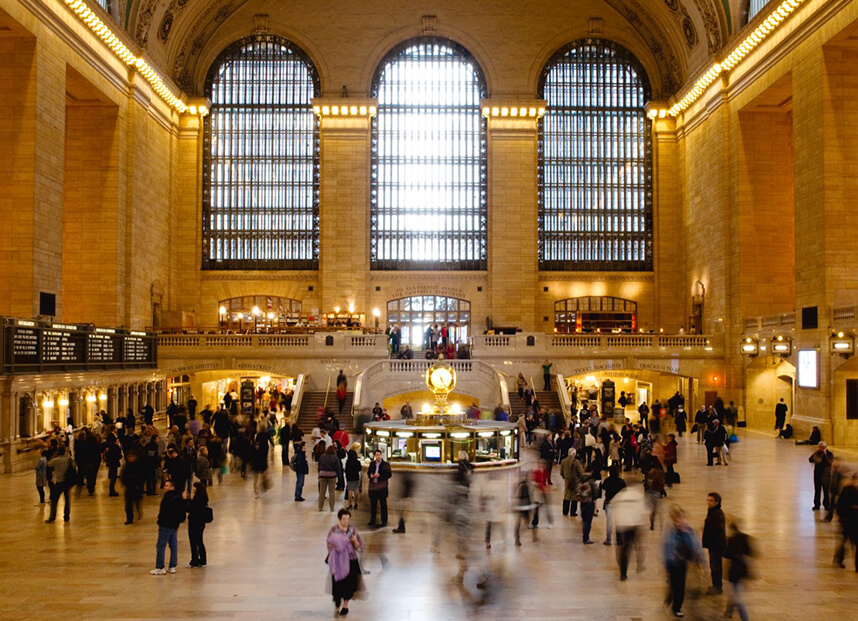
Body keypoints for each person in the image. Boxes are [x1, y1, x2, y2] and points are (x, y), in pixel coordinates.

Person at [663, 506, 705, 617]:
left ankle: (676, 608)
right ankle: (670, 596)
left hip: (683, 563)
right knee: (674, 585)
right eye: (678, 520)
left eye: (683, 519)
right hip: (673, 563)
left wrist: (703, 563)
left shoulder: (690, 532)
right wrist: (666, 567)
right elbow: (666, 550)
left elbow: (697, 548)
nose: (681, 522)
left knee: (680, 587)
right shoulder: (671, 533)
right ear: (675, 521)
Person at [326, 508, 363, 616]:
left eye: (348, 519)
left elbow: (359, 547)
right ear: (339, 519)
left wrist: (354, 541)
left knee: (349, 585)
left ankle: (345, 605)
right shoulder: (334, 530)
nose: (346, 521)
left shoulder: (353, 530)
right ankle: (337, 602)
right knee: (338, 585)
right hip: (338, 562)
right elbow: (329, 544)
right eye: (344, 519)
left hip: (351, 560)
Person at [151, 479, 186, 575]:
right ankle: (172, 566)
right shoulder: (178, 497)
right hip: (174, 525)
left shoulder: (168, 498)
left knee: (161, 546)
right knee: (173, 546)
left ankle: (160, 567)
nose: (164, 487)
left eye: (167, 485)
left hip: (165, 525)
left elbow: (164, 512)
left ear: (172, 487)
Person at [703, 492, 727, 595]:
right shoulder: (712, 511)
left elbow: (718, 531)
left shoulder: (718, 514)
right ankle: (716, 584)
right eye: (707, 500)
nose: (708, 502)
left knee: (716, 565)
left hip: (716, 545)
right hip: (712, 544)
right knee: (714, 565)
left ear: (717, 502)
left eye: (711, 500)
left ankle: (717, 586)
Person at [834, 472, 858, 571]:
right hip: (847, 521)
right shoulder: (847, 490)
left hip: (856, 521)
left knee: (856, 544)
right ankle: (839, 559)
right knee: (844, 541)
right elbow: (840, 505)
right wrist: (842, 516)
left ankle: (857, 566)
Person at [45, 446, 75, 523]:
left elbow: (48, 464)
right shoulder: (69, 460)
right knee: (67, 500)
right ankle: (66, 516)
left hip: (59, 482)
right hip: (67, 482)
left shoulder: (56, 460)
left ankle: (52, 516)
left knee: (54, 500)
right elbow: (74, 467)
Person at [601, 465, 627, 545]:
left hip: (609, 502)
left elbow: (603, 488)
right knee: (618, 522)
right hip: (619, 503)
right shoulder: (621, 482)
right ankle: (619, 539)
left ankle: (608, 539)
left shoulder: (607, 480)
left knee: (609, 523)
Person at [186, 481, 209, 568]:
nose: (193, 489)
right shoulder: (204, 498)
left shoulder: (197, 499)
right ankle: (203, 559)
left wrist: (186, 499)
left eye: (194, 487)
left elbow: (189, 509)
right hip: (201, 523)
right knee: (199, 541)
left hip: (194, 522)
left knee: (193, 541)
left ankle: (194, 560)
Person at [367, 449, 391, 527]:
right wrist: (370, 475)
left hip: (382, 488)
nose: (378, 456)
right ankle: (372, 520)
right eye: (376, 455)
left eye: (379, 455)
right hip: (373, 487)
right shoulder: (372, 464)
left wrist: (380, 476)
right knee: (373, 505)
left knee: (383, 504)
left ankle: (384, 520)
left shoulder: (386, 464)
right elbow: (368, 472)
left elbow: (389, 475)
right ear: (374, 456)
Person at [121, 449, 145, 524]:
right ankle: (129, 518)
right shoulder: (126, 466)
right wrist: (123, 484)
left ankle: (138, 512)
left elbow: (142, 476)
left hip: (136, 487)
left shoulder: (138, 466)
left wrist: (140, 485)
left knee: (137, 501)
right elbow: (123, 476)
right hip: (128, 487)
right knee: (128, 504)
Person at [809, 441, 834, 511]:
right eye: (820, 447)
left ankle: (826, 505)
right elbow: (810, 460)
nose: (821, 449)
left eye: (822, 447)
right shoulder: (817, 453)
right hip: (817, 474)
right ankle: (817, 505)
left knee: (826, 490)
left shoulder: (829, 454)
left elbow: (830, 462)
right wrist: (816, 453)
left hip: (826, 474)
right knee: (817, 490)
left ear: (825, 447)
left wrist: (825, 454)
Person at [561, 448, 584, 517]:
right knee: (574, 496)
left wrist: (565, 477)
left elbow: (561, 472)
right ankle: (573, 512)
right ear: (574, 454)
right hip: (575, 481)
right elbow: (580, 472)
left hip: (567, 480)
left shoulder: (563, 461)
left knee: (567, 495)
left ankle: (565, 511)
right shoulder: (576, 462)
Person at [318, 445, 340, 512]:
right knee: (332, 492)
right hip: (332, 475)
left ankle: (320, 507)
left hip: (322, 475)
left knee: (322, 492)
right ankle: (332, 507)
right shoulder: (335, 457)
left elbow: (319, 465)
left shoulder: (322, 456)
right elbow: (338, 467)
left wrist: (319, 473)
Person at [344, 444, 362, 510]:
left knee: (350, 491)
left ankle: (350, 504)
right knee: (355, 490)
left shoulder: (348, 462)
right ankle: (356, 504)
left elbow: (345, 470)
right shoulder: (357, 462)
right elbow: (359, 469)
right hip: (356, 477)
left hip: (349, 477)